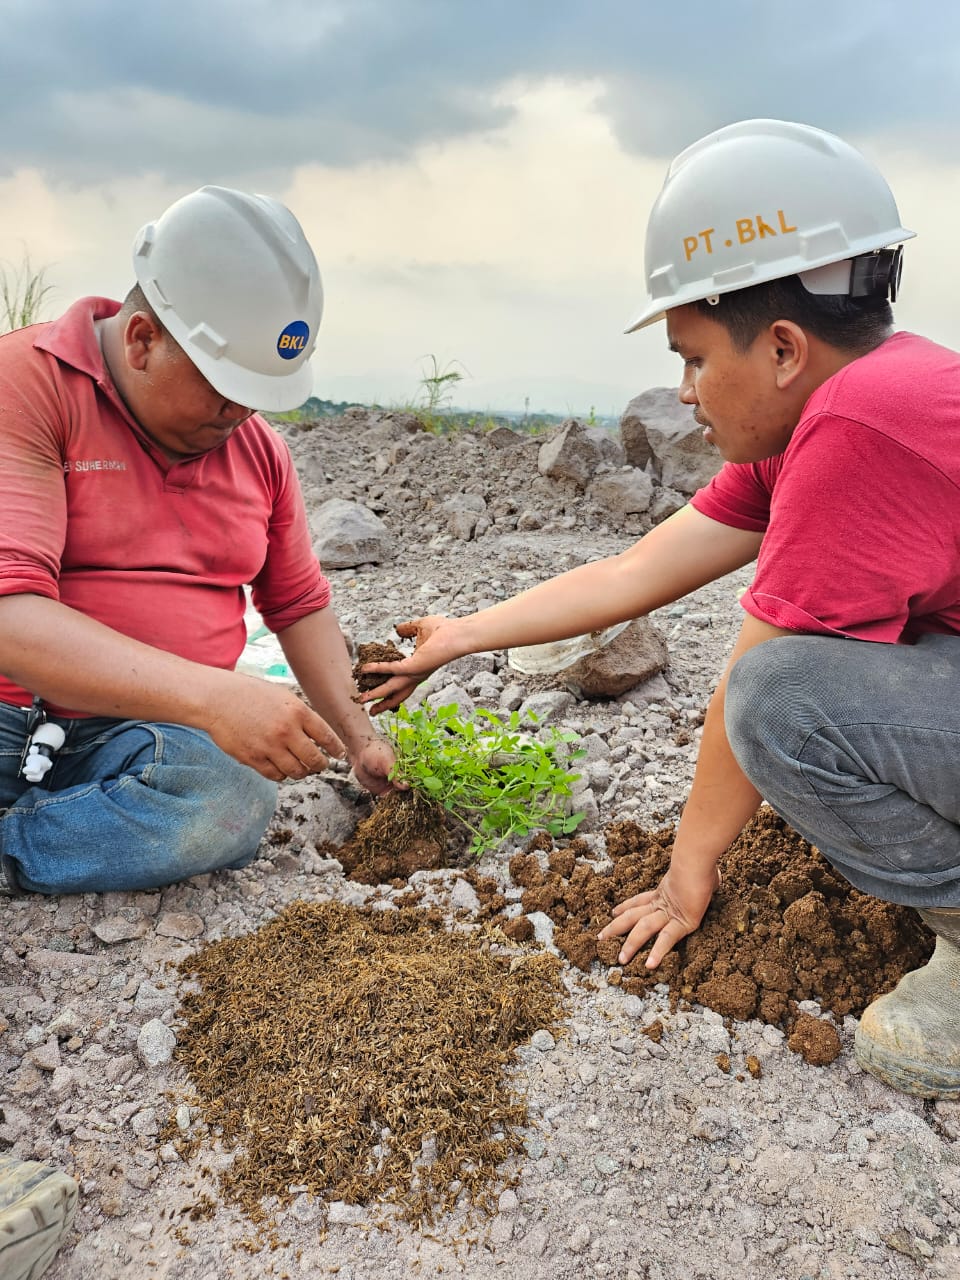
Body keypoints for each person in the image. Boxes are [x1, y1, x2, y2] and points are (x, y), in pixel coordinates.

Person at [360, 118, 960, 1101]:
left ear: (779, 347)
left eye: (690, 358)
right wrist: (459, 637)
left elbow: (755, 683)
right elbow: (635, 570)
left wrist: (689, 871)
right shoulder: (832, 404)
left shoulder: (861, 422)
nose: (681, 394)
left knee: (778, 696)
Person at [0, 184, 397, 899]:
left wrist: (360, 736)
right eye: (222, 383)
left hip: (139, 740)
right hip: (8, 718)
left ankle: (19, 846)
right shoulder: (27, 387)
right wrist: (216, 699)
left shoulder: (257, 451)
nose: (238, 410)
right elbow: (11, 617)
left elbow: (299, 606)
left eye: (256, 393)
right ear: (142, 339)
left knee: (229, 800)